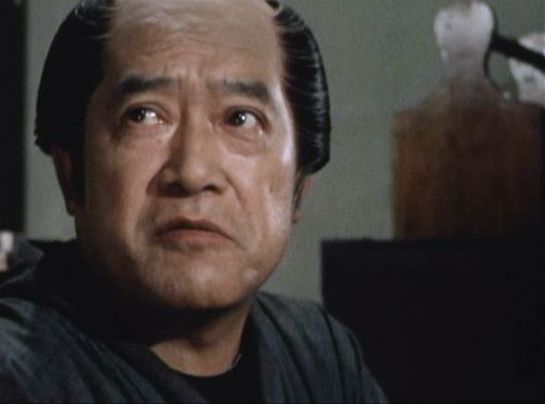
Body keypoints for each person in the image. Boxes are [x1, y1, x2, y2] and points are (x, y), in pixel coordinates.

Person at [0, 0, 386, 401]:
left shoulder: (320, 354)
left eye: (241, 119)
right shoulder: (19, 376)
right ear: (71, 175)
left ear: (300, 184)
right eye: (144, 115)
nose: (193, 172)